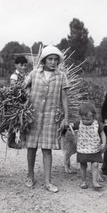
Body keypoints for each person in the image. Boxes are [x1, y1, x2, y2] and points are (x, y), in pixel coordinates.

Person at [23, 45, 69, 193]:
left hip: (51, 117)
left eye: (56, 59)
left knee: (47, 150)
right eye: (50, 59)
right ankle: (30, 176)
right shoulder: (35, 73)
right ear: (44, 60)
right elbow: (22, 88)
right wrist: (28, 96)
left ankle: (48, 181)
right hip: (33, 115)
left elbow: (64, 98)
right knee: (31, 147)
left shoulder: (61, 76)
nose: (53, 62)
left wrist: (66, 117)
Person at [69, 102, 106, 190]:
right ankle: (83, 181)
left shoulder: (97, 124)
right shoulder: (79, 123)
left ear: (94, 116)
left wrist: (103, 143)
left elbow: (102, 134)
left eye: (88, 119)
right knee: (83, 166)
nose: (85, 121)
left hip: (94, 148)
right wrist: (70, 125)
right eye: (83, 119)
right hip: (83, 149)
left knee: (95, 165)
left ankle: (95, 182)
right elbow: (71, 126)